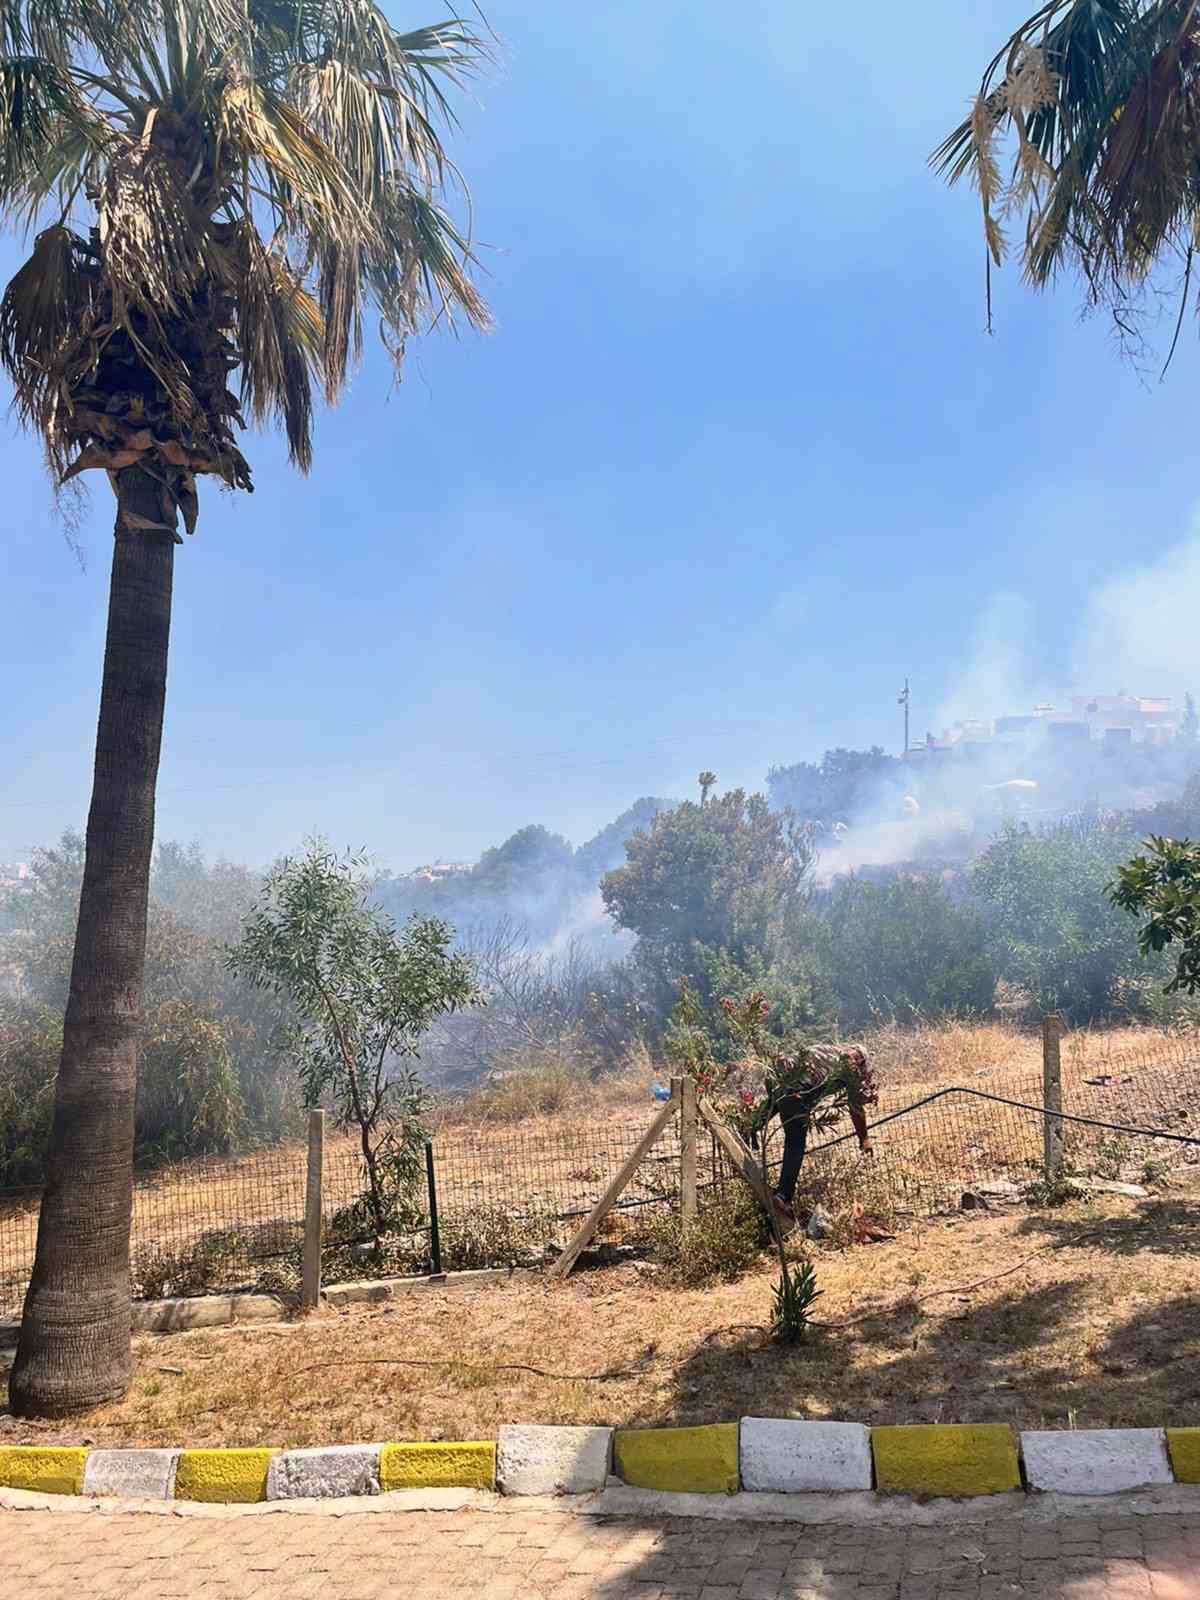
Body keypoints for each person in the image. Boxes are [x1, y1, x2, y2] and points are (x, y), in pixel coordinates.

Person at [749, 1043, 877, 1222]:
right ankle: (783, 1196)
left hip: (779, 1077)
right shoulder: (850, 1065)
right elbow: (855, 1106)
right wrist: (864, 1138)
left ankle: (748, 1128)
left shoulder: (828, 1050)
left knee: (778, 1098)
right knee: (795, 1142)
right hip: (798, 1090)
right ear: (860, 1060)